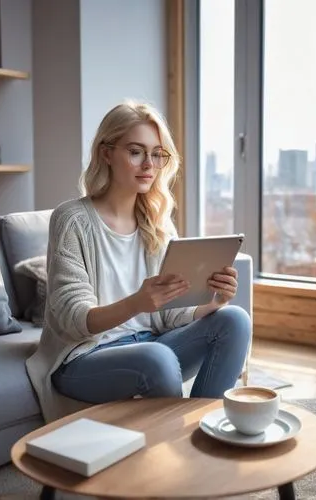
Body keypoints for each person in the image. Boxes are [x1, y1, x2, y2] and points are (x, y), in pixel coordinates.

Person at [26, 101, 251, 423]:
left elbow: (169, 316)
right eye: (136, 151)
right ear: (106, 153)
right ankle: (174, 444)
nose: (149, 164)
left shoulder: (156, 221)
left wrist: (213, 302)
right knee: (156, 356)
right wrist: (137, 303)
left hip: (151, 344)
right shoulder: (72, 219)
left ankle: (206, 430)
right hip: (85, 357)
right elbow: (72, 320)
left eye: (157, 154)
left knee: (234, 319)